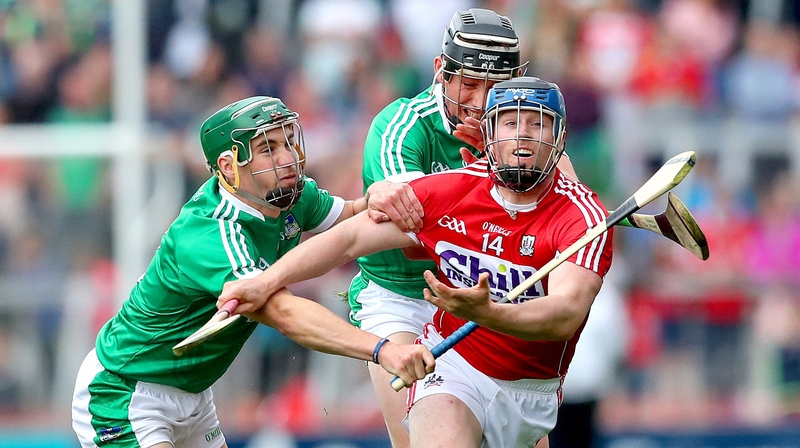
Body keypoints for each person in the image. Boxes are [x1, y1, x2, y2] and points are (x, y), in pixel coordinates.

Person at [219, 77, 614, 448]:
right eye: (509, 122)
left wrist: (488, 311)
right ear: (488, 135)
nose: (522, 135)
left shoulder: (582, 216)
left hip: (532, 390)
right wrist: (266, 281)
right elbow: (349, 238)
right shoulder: (456, 189)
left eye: (537, 124)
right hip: (456, 367)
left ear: (560, 138)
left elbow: (565, 314)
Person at [70, 96, 434, 448]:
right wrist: (382, 349)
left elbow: (353, 218)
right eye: (269, 149)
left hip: (194, 395)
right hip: (126, 391)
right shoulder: (211, 232)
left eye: (289, 141)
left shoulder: (292, 196)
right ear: (229, 167)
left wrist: (382, 197)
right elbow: (283, 313)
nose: (288, 157)